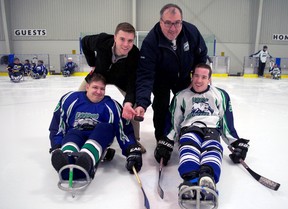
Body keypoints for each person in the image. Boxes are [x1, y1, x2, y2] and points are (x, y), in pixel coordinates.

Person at [154, 63, 249, 203]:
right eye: (196, 76)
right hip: (190, 128)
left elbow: (225, 121)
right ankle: (191, 179)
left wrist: (235, 142)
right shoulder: (181, 96)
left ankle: (208, 177)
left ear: (209, 79)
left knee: (213, 148)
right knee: (189, 145)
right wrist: (167, 141)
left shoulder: (220, 95)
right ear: (192, 76)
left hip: (212, 129)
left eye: (203, 77)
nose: (199, 80)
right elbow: (174, 121)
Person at [133, 3, 208, 142]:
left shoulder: (191, 32)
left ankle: (187, 132)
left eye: (177, 23)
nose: (173, 28)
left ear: (182, 21)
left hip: (184, 76)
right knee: (161, 105)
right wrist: (141, 103)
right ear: (161, 22)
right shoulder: (151, 42)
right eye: (168, 23)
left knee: (187, 104)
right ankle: (162, 138)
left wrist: (199, 77)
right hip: (161, 79)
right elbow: (145, 75)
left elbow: (201, 54)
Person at [49, 73, 142, 179]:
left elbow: (123, 130)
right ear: (87, 87)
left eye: (102, 89)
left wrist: (131, 149)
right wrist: (56, 145)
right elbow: (58, 125)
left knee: (105, 128)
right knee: (72, 133)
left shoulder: (112, 105)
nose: (98, 92)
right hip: (76, 133)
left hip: (99, 137)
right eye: (95, 87)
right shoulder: (70, 99)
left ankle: (86, 158)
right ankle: (66, 160)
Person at [80, 22, 145, 153]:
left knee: (133, 105)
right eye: (122, 39)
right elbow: (85, 42)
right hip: (100, 74)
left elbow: (133, 83)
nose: (126, 44)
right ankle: (79, 131)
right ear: (115, 37)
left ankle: (134, 140)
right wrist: (92, 63)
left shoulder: (135, 55)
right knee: (80, 96)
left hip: (122, 80)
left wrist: (128, 102)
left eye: (130, 40)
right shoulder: (101, 41)